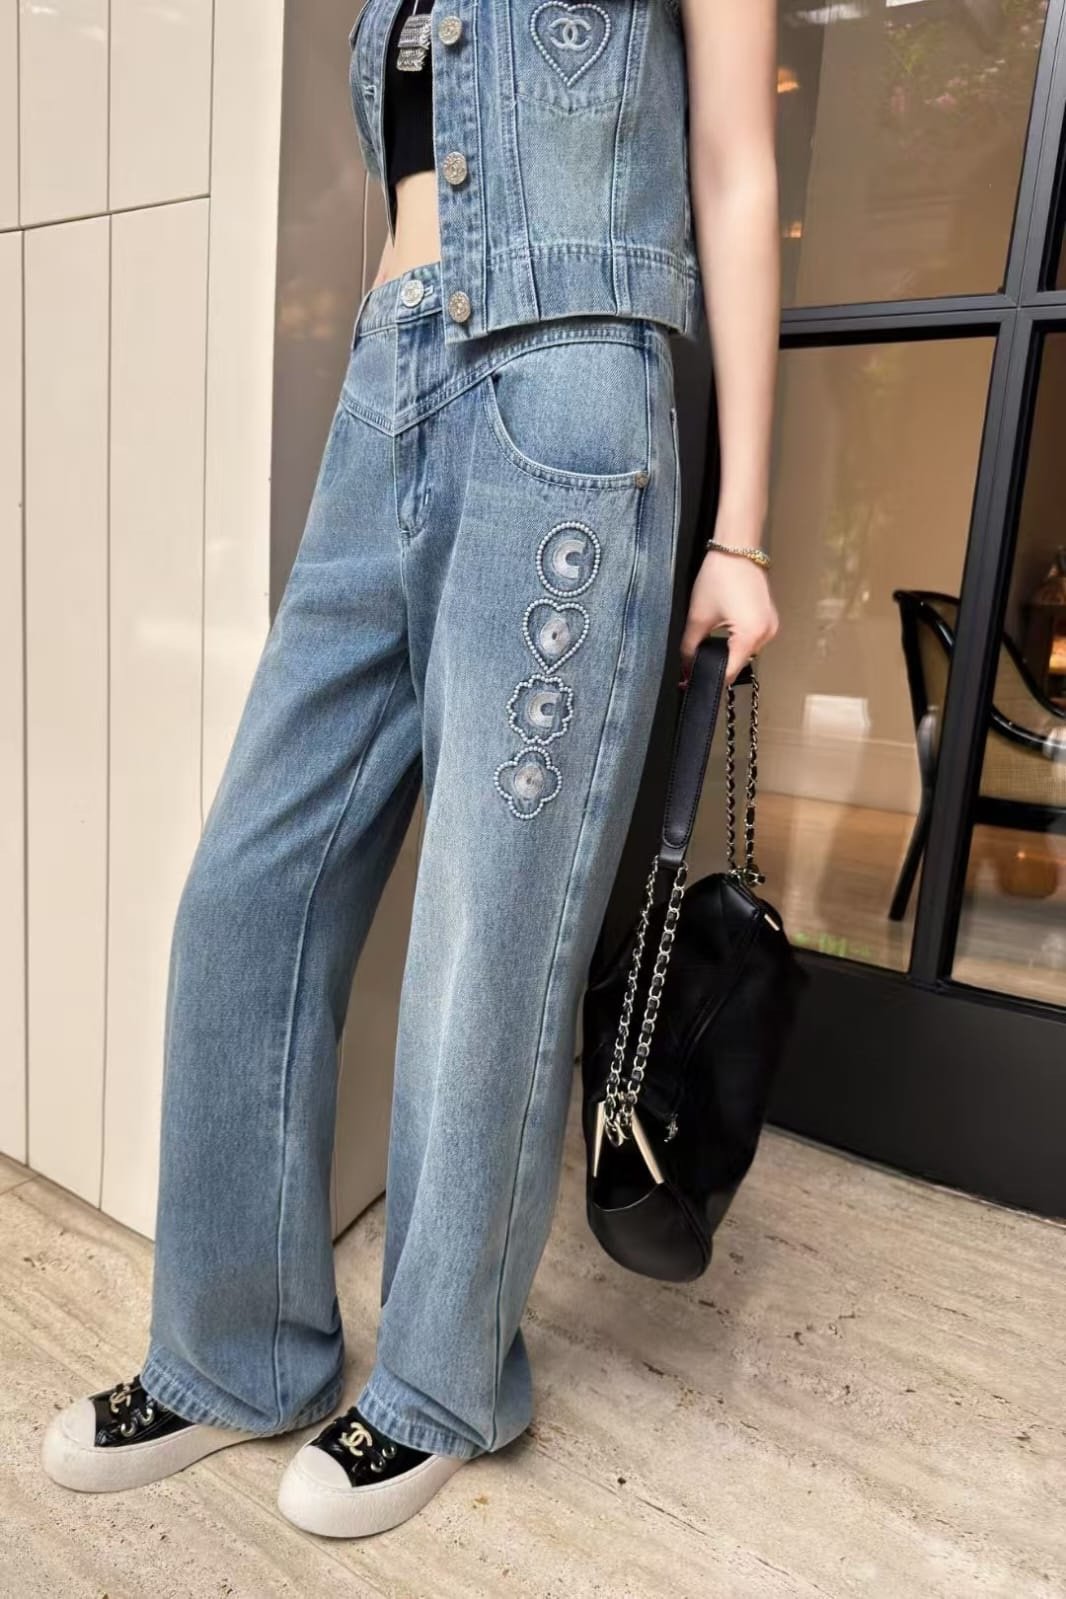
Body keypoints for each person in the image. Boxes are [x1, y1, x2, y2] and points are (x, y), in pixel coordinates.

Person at [41, 0, 780, 1540]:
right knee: (249, 889)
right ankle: (237, 1350)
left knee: (484, 928)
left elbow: (732, 162)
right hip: (388, 387)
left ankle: (444, 1382)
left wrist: (741, 532)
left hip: (568, 387)